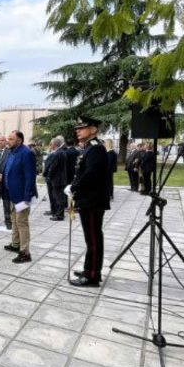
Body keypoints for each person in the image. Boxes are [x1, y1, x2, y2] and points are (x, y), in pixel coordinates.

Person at [67, 116, 110, 287]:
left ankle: (92, 275)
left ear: (93, 130)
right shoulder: (88, 148)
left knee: (93, 238)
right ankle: (89, 268)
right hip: (88, 199)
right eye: (77, 128)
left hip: (92, 200)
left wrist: (74, 187)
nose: (77, 131)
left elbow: (91, 174)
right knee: (91, 238)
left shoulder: (96, 148)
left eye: (82, 128)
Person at [3, 130, 37, 263]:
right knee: (14, 220)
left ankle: (25, 253)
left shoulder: (26, 153)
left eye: (11, 139)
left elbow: (30, 177)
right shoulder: (12, 152)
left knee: (22, 222)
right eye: (8, 138)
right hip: (12, 193)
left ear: (19, 141)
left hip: (22, 196)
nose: (8, 141)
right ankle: (15, 244)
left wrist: (27, 197)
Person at [46, 137, 69, 221]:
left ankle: (59, 215)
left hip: (57, 179)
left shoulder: (57, 154)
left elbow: (53, 167)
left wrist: (49, 176)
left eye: (51, 144)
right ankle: (58, 213)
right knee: (60, 197)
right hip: (61, 179)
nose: (51, 145)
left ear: (54, 144)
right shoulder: (62, 152)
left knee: (58, 198)